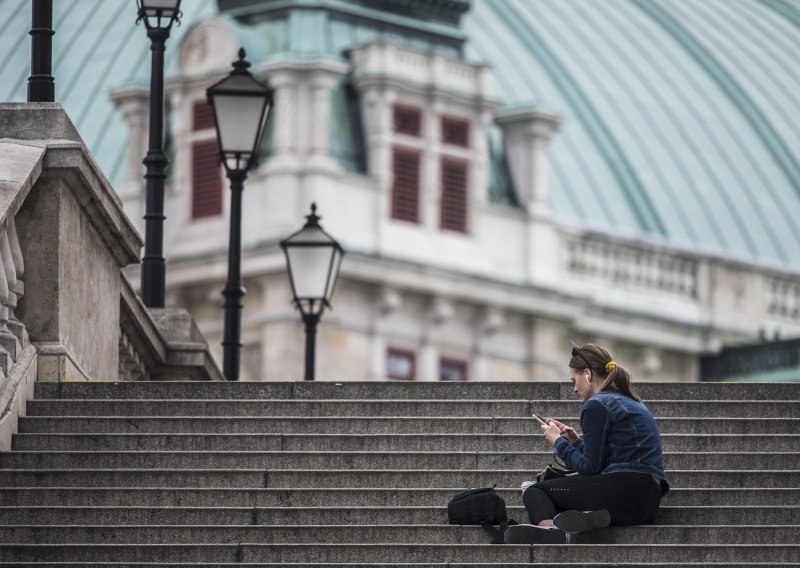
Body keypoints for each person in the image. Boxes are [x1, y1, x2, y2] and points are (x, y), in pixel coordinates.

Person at [505, 343, 669, 544]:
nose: (574, 388)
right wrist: (575, 441)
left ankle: (549, 530)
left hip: (622, 490)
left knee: (535, 491)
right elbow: (607, 461)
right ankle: (586, 517)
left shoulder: (597, 404)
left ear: (588, 374)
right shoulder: (632, 402)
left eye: (574, 380)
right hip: (646, 504)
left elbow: (590, 468)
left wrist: (557, 441)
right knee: (565, 496)